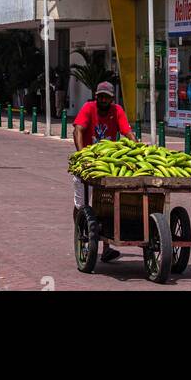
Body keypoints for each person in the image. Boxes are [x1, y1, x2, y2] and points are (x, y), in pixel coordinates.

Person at [72, 81, 134, 263]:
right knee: (81, 204)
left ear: (112, 99)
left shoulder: (117, 111)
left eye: (107, 97)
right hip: (88, 161)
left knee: (108, 204)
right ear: (96, 96)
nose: (104, 100)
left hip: (108, 163)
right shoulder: (88, 108)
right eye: (101, 97)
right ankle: (80, 230)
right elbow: (78, 130)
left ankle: (107, 247)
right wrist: (82, 155)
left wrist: (138, 148)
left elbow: (127, 132)